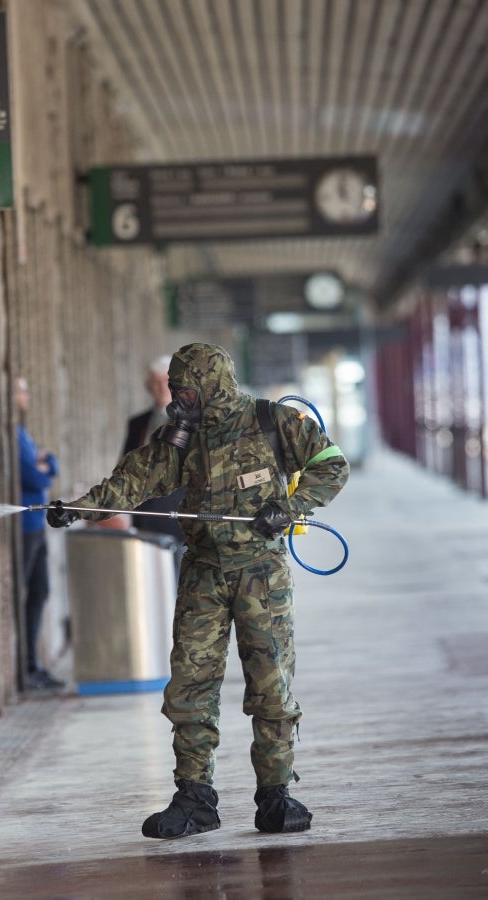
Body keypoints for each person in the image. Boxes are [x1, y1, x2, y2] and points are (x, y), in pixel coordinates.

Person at [47, 343, 349, 837]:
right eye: (174, 390)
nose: (178, 401)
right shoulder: (181, 438)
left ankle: (276, 795)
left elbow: (332, 465)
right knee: (189, 687)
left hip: (261, 575)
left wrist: (292, 507)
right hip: (203, 572)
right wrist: (78, 509)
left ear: (212, 385)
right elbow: (130, 481)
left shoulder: (275, 421)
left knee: (271, 685)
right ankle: (195, 800)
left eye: (186, 390)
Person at [15, 376, 65, 691]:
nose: (27, 395)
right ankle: (27, 666)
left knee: (41, 593)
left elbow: (52, 465)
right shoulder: (16, 435)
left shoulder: (23, 434)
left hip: (38, 525)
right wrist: (45, 467)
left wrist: (48, 466)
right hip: (25, 528)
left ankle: (33, 663)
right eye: (21, 390)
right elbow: (36, 476)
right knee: (27, 596)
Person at [121, 355, 185, 570]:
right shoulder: (137, 423)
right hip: (145, 517)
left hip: (181, 517)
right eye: (155, 382)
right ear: (149, 386)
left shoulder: (193, 423)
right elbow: (124, 466)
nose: (161, 387)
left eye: (165, 382)